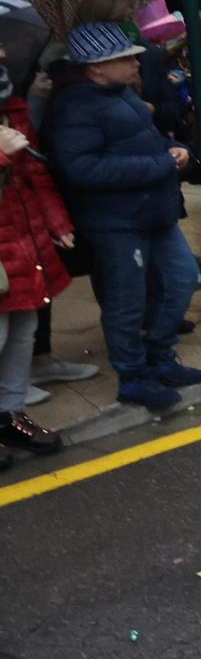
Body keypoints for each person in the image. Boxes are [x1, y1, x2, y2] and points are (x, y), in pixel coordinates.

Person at [41, 22, 201, 412]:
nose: (136, 62)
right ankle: (132, 375)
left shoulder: (121, 94)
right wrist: (158, 164)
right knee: (126, 300)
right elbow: (81, 169)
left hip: (152, 211)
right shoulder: (73, 107)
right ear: (96, 68)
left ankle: (159, 354)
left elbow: (148, 140)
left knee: (184, 278)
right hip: (116, 221)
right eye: (124, 58)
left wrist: (175, 149)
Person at [0, 78, 74, 467]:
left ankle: (10, 415)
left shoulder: (13, 108)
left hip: (20, 237)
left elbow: (36, 175)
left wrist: (56, 222)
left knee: (23, 330)